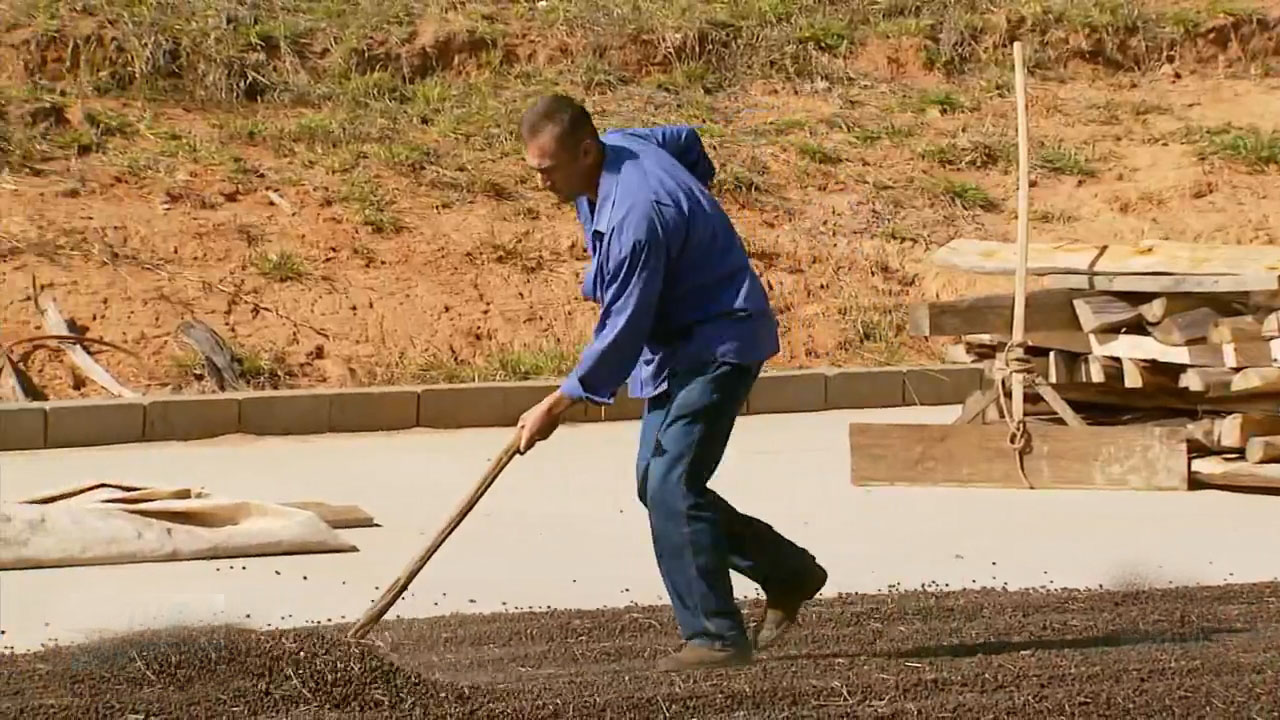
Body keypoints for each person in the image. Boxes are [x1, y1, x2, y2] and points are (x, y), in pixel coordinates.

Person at [514, 94, 827, 672]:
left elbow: (622, 330)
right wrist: (695, 209)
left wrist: (556, 406)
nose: (542, 183)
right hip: (679, 343)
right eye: (535, 169)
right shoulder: (625, 145)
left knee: (671, 486)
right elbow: (685, 140)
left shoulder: (638, 218)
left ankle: (716, 636)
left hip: (718, 342)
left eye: (548, 170)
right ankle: (786, 571)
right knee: (656, 484)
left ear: (586, 151)